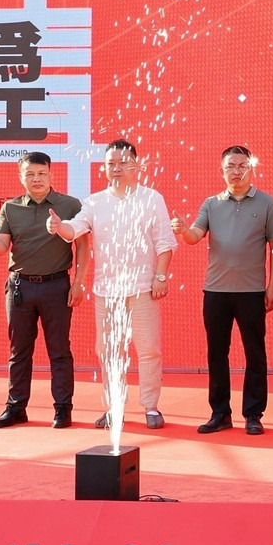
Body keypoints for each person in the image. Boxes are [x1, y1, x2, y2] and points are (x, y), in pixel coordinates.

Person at [47, 138, 174, 429]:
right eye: (110, 164)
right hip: (107, 292)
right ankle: (114, 408)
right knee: (109, 352)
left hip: (142, 288)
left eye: (122, 163)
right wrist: (59, 226)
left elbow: (164, 242)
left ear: (136, 165)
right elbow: (75, 228)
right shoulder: (94, 202)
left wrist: (160, 276)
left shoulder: (151, 198)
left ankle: (151, 407)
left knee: (148, 349)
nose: (116, 168)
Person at [171, 145, 273, 437]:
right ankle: (220, 413)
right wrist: (183, 230)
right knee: (217, 353)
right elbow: (194, 236)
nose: (236, 171)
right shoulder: (211, 204)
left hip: (252, 291)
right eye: (230, 166)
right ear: (221, 171)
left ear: (251, 168)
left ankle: (253, 414)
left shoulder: (267, 203)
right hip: (216, 291)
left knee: (255, 353)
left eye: (242, 165)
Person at [0, 151, 87, 429]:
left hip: (57, 286)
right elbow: (1, 247)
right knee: (19, 351)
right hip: (20, 287)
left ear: (51, 174)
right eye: (30, 174)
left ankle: (63, 409)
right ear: (21, 177)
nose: (36, 179)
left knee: (59, 350)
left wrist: (78, 282)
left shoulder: (70, 205)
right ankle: (16, 408)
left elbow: (83, 246)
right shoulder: (10, 208)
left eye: (41, 173)